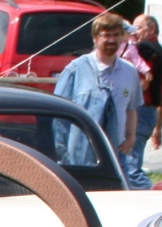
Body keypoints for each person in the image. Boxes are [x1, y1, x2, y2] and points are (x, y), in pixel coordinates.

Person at [54, 12, 144, 175]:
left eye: (116, 35)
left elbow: (131, 109)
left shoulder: (130, 72)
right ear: (95, 38)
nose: (111, 40)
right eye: (106, 35)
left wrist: (130, 138)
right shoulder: (75, 69)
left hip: (116, 154)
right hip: (80, 156)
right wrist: (61, 153)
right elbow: (59, 115)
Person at [126, 14, 162, 190]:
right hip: (149, 112)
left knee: (130, 166)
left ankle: (150, 196)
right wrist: (158, 127)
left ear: (151, 29)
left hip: (138, 110)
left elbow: (143, 84)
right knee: (130, 162)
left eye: (138, 27)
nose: (134, 32)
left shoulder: (143, 51)